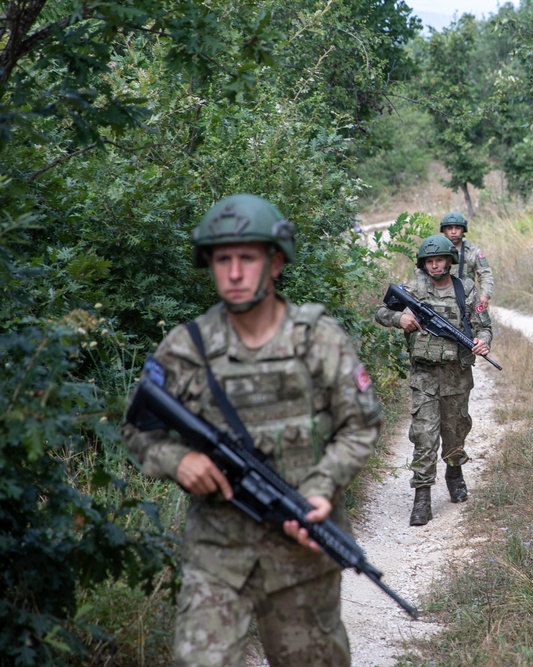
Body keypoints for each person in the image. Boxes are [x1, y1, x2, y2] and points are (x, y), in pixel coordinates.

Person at [122, 194, 383, 665]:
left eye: (248, 258)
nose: (235, 272)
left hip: (302, 553)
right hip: (218, 557)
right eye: (223, 259)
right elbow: (138, 430)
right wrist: (178, 460)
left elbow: (360, 425)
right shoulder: (186, 347)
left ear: (276, 261)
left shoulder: (315, 339)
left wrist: (322, 489)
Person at [375, 234, 493, 526]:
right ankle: (422, 497)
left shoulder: (465, 289)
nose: (435, 264)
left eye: (439, 259)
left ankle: (454, 472)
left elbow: (485, 326)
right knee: (424, 436)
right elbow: (381, 312)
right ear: (423, 263)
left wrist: (482, 341)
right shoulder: (414, 289)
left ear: (449, 261)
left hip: (457, 376)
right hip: (424, 376)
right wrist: (399, 319)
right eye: (429, 260)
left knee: (455, 431)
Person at [439, 211, 494, 307]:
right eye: (449, 228)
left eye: (458, 228)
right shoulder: (436, 249)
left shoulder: (473, 250)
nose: (453, 231)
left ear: (463, 230)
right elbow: (421, 273)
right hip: (439, 299)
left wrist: (485, 295)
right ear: (444, 230)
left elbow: (485, 273)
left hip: (466, 300)